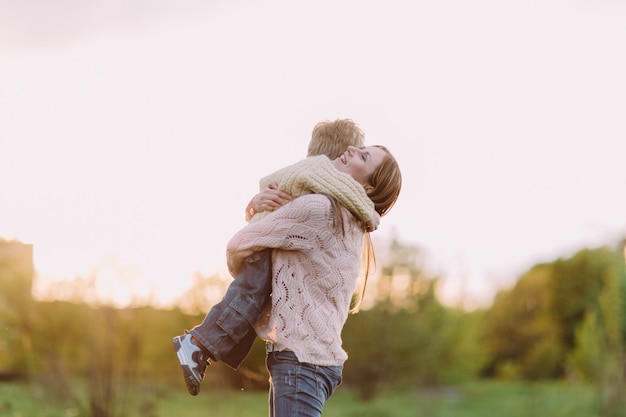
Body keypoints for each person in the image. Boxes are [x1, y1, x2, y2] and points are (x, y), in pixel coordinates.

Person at [173, 119, 380, 395]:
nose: (354, 155)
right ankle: (198, 344)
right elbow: (272, 188)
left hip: (275, 247)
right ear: (336, 157)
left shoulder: (321, 186)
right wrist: (370, 212)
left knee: (249, 305)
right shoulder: (319, 182)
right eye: (354, 151)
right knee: (247, 296)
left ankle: (201, 348)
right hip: (267, 248)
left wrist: (253, 206)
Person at [227, 144, 402, 417]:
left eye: (363, 156)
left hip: (300, 361)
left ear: (368, 188)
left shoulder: (319, 208)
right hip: (314, 361)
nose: (353, 149)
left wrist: (255, 209)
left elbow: (238, 245)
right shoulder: (354, 223)